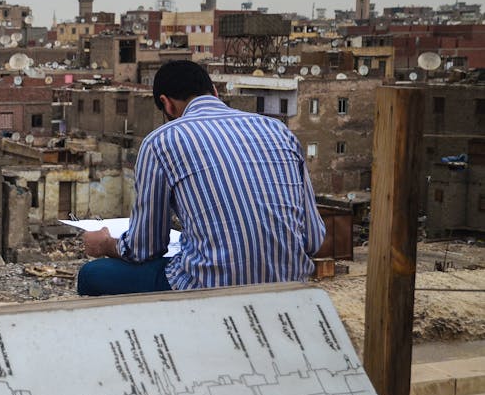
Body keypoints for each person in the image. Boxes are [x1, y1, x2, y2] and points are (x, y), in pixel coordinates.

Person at [78, 60, 325, 295]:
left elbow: (145, 248)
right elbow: (314, 239)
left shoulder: (161, 142)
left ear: (167, 104)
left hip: (206, 287)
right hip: (289, 286)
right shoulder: (279, 131)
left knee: (91, 274)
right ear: (215, 92)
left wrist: (105, 244)